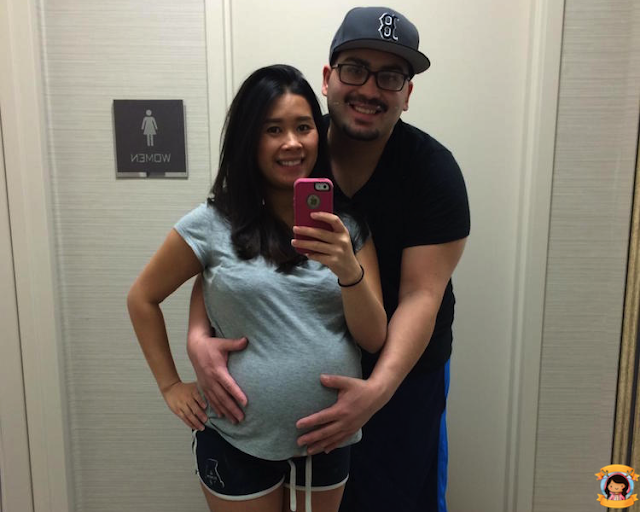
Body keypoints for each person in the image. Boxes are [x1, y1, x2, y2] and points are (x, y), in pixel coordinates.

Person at [187, 7, 470, 512]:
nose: (370, 89)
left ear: (407, 93)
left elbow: (421, 295)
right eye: (355, 69)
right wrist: (196, 335)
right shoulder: (292, 143)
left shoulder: (433, 173)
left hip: (403, 375)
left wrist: (377, 390)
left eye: (390, 76)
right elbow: (225, 243)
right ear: (327, 78)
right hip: (299, 385)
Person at [127, 64, 387, 512]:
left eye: (303, 127)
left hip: (326, 437)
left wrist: (348, 270)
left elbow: (373, 337)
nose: (292, 142)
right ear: (249, 138)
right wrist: (170, 385)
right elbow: (142, 298)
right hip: (235, 437)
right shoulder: (212, 223)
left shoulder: (347, 227)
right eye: (273, 129)